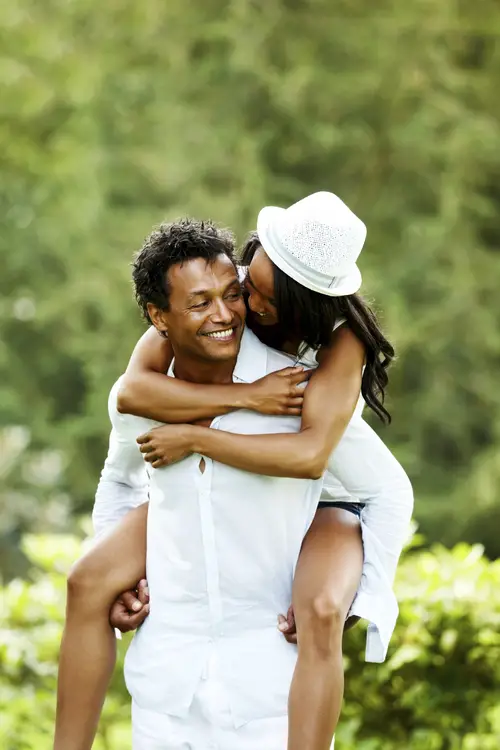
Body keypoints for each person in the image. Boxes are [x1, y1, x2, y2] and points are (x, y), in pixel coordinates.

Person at [54, 194, 413, 750]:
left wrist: (365, 594)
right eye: (248, 281)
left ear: (299, 301)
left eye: (252, 296)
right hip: (174, 673)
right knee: (88, 581)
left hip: (330, 500)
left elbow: (325, 462)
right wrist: (245, 398)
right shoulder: (212, 292)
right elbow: (131, 396)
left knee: (319, 611)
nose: (236, 305)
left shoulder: (328, 359)